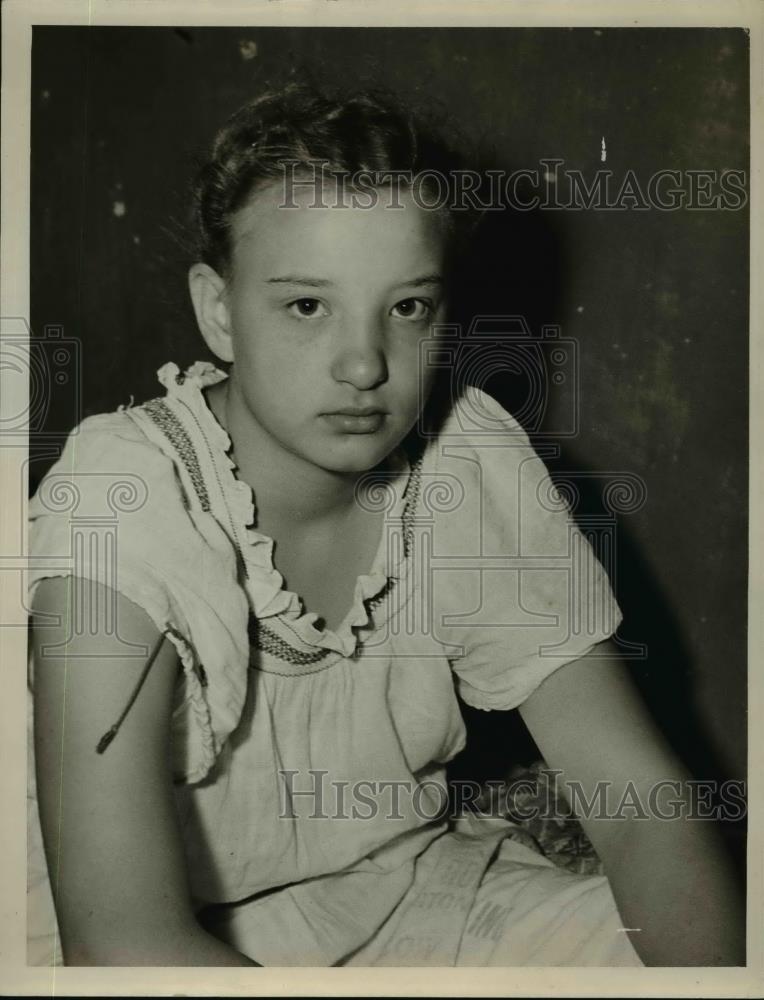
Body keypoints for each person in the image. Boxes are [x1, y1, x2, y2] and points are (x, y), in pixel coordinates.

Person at [27, 81, 744, 968]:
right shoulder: (120, 498)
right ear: (219, 310)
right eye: (306, 306)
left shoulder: (464, 459)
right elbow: (118, 945)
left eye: (407, 307)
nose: (365, 363)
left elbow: (637, 800)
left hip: (394, 888)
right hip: (138, 942)